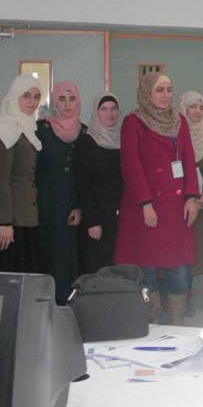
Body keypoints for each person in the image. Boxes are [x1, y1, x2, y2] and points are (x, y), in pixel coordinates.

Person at [114, 73, 202, 325]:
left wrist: (191, 197)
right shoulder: (133, 122)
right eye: (159, 90)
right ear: (146, 92)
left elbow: (188, 159)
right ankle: (150, 321)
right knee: (147, 268)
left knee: (179, 267)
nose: (165, 95)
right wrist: (145, 203)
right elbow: (131, 166)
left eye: (169, 89)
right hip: (145, 208)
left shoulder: (179, 120)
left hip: (176, 207)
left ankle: (177, 322)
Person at [0, 74, 44, 273]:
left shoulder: (28, 128)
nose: (32, 102)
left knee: (27, 279)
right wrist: (5, 223)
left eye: (36, 96)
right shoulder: (2, 130)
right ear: (14, 96)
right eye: (26, 95)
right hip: (9, 223)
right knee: (8, 280)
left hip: (26, 218)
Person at [36, 80, 86, 304]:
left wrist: (79, 206)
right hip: (47, 204)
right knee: (49, 254)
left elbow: (87, 175)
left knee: (71, 256)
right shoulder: (42, 129)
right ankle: (47, 305)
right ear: (54, 101)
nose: (67, 104)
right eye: (62, 99)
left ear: (78, 102)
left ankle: (70, 304)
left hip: (74, 206)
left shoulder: (85, 132)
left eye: (71, 99)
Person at [72, 93, 123, 274]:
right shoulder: (86, 142)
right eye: (104, 109)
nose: (110, 114)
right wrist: (92, 222)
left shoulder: (122, 139)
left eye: (114, 109)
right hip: (96, 219)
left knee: (117, 269)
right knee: (96, 270)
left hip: (118, 216)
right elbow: (83, 185)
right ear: (96, 112)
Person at [179, 91, 203, 314]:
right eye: (192, 107)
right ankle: (171, 300)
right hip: (176, 202)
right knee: (175, 250)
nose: (197, 112)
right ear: (183, 108)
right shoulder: (174, 132)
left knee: (193, 251)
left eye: (201, 108)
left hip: (198, 202)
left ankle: (187, 299)